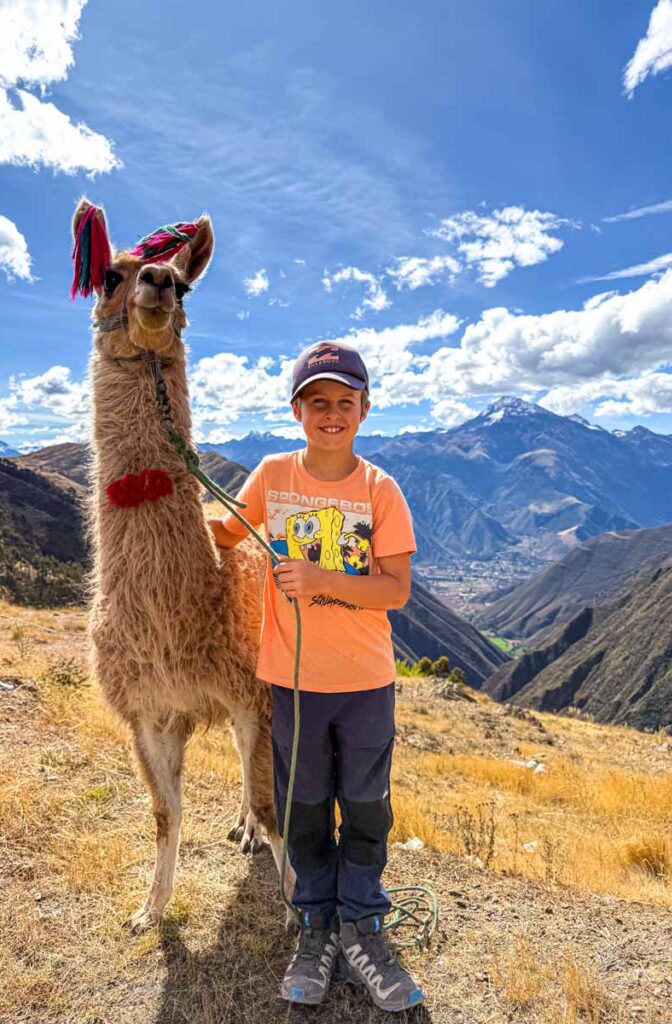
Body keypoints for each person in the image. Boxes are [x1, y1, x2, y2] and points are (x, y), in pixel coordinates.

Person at [209, 340, 424, 1013]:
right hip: (293, 682)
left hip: (364, 683)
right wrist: (169, 496)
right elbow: (227, 533)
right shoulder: (272, 476)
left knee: (364, 807)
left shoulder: (379, 490)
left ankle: (362, 925)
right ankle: (316, 926)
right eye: (318, 401)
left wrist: (321, 579)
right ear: (297, 409)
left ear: (364, 409)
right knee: (303, 808)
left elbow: (394, 591)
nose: (332, 413)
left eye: (344, 402)